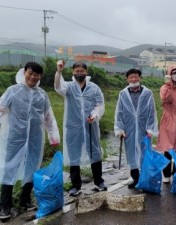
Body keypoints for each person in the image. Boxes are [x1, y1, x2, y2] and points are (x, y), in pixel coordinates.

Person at [0, 62, 60, 219]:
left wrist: (53, 135)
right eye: (30, 73)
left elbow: (48, 116)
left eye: (37, 74)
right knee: (9, 167)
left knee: (32, 166)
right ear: (24, 72)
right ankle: (5, 205)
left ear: (40, 76)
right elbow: (0, 108)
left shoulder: (41, 94)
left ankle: (25, 200)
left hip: (35, 137)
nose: (33, 77)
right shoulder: (12, 91)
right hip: (15, 137)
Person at [54, 61, 107, 196]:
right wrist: (59, 71)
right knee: (74, 155)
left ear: (86, 72)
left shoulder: (94, 88)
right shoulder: (68, 86)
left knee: (94, 152)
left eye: (82, 71)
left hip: (90, 125)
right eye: (76, 71)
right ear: (72, 72)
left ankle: (98, 181)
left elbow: (99, 104)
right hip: (73, 127)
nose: (79, 73)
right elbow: (58, 88)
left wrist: (94, 115)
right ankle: (76, 186)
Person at [114, 68, 158, 188]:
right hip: (129, 128)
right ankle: (135, 178)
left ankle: (145, 178)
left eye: (136, 76)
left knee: (144, 153)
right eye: (131, 77)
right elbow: (119, 112)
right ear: (127, 79)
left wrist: (151, 129)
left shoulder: (147, 93)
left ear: (140, 77)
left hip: (144, 128)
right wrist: (120, 129)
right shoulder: (123, 94)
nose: (133, 79)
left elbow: (151, 111)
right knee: (131, 153)